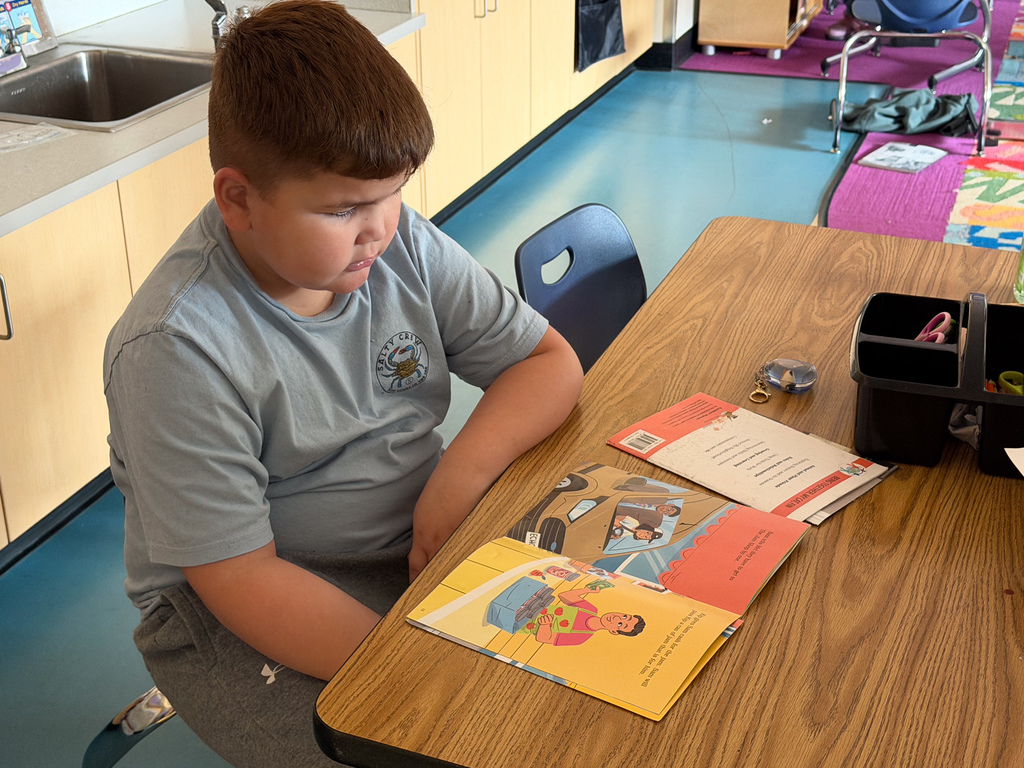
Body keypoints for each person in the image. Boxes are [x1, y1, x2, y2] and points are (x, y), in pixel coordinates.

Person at [102, 2, 583, 765]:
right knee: (437, 736)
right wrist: (416, 662)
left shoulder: (395, 241)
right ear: (238, 200)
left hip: (413, 539)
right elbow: (239, 577)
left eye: (393, 192)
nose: (381, 227)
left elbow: (547, 363)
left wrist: (456, 479)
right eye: (344, 208)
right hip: (238, 606)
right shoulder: (176, 348)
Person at [519, 586, 645, 646]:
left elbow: (544, 639)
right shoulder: (590, 609)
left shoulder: (581, 637)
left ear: (614, 631)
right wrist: (587, 590)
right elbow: (565, 596)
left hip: (521, 622)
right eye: (624, 617)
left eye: (620, 624)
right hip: (528, 603)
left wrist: (545, 625)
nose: (616, 619)